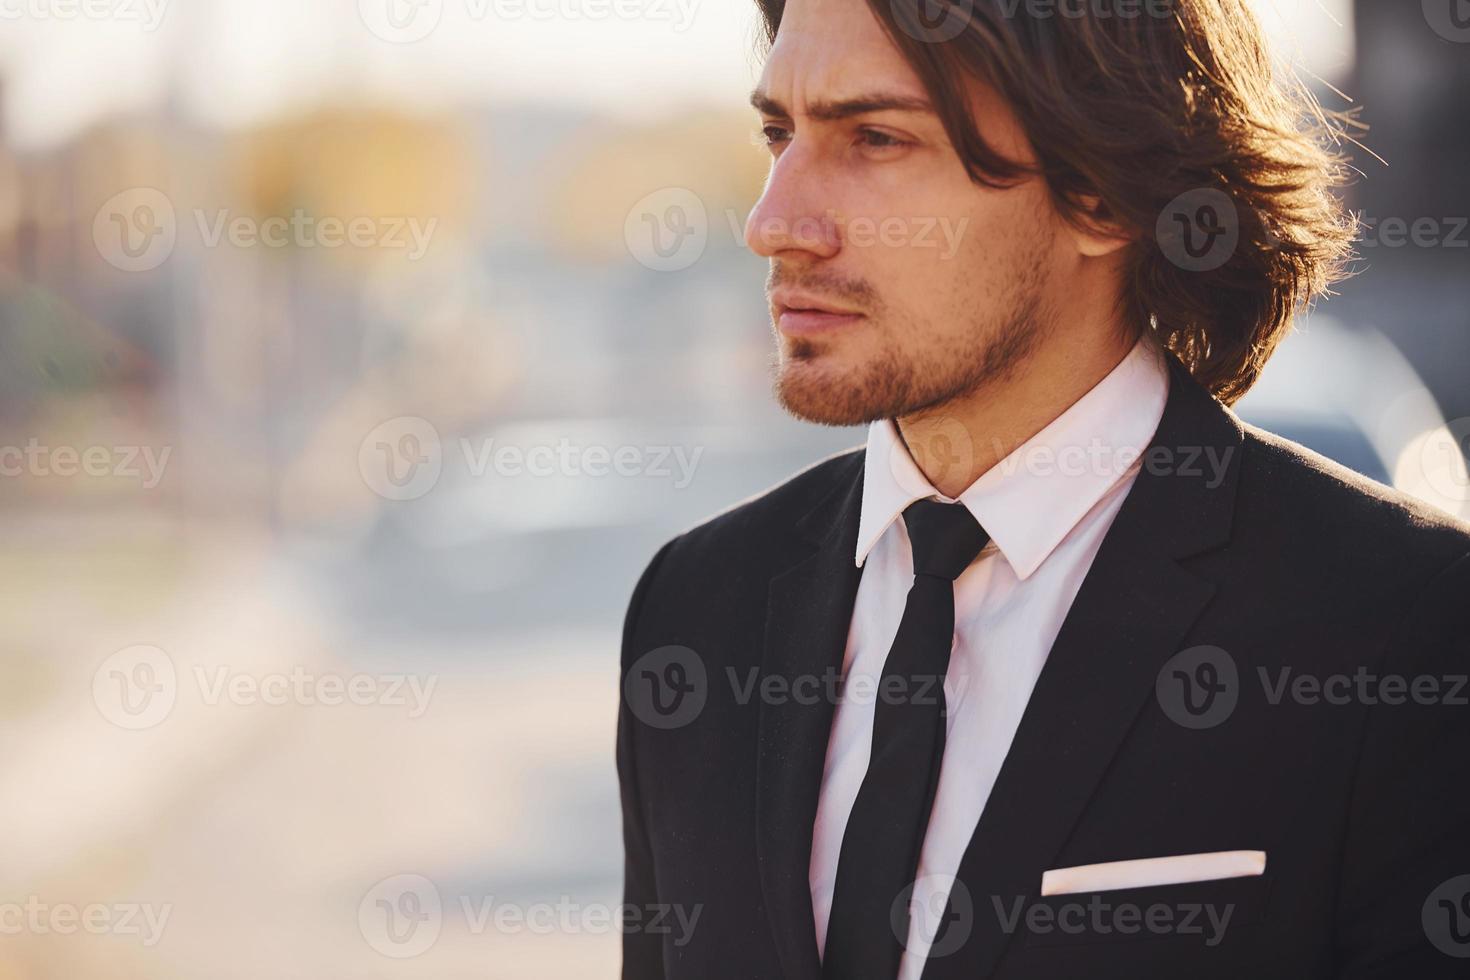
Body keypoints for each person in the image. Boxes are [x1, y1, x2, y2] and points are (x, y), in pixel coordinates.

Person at [617, 1, 1470, 977]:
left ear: (1101, 192)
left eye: (876, 138)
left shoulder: (1407, 623)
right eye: (779, 132)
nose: (774, 223)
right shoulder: (692, 609)